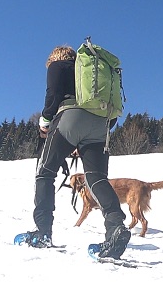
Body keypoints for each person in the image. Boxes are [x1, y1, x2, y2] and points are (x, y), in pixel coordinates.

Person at [23, 45, 131, 259]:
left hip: (70, 118)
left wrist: (45, 122)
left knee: (45, 173)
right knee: (97, 178)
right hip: (101, 123)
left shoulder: (58, 65)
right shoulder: (95, 72)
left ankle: (43, 233)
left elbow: (53, 94)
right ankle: (115, 228)